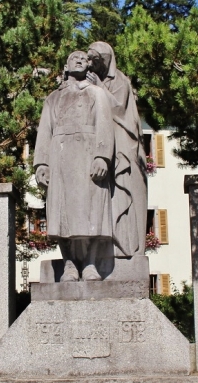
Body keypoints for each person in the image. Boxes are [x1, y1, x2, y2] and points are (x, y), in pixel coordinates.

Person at [34, 51, 115, 282]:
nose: (79, 60)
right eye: (74, 58)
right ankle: (69, 264)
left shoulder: (96, 93)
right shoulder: (53, 98)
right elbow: (44, 131)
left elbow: (105, 125)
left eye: (83, 58)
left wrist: (102, 156)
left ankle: (90, 264)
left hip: (88, 154)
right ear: (66, 67)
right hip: (59, 157)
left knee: (92, 212)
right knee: (61, 214)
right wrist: (41, 163)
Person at [87, 41, 148, 258]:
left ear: (108, 60)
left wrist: (99, 88)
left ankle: (124, 244)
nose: (94, 65)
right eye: (91, 60)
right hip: (99, 146)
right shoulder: (90, 79)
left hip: (122, 141)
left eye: (98, 61)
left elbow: (118, 108)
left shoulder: (120, 80)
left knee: (121, 191)